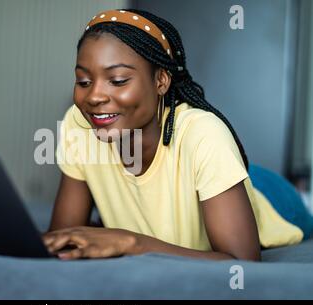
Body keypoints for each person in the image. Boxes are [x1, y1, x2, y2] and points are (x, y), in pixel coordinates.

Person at [42, 9, 303, 261]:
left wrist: (130, 242)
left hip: (270, 197)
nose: (95, 96)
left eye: (119, 80)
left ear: (161, 81)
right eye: (84, 82)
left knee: (284, 196)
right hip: (208, 173)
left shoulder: (204, 134)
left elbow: (240, 264)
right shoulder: (79, 125)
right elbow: (63, 237)